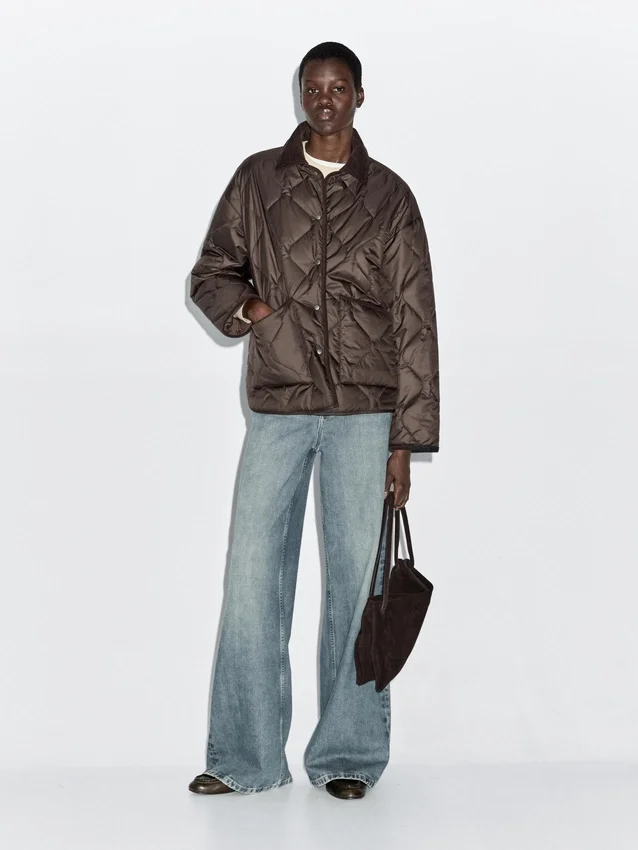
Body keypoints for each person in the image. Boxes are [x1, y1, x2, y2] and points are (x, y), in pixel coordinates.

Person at [187, 41, 439, 800]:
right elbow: (211, 273)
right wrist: (253, 311)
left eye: (338, 87)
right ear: (301, 95)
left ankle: (349, 755)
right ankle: (245, 759)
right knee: (251, 578)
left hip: (366, 412)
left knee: (357, 585)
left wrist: (406, 440)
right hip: (281, 405)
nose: (324, 99)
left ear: (359, 95)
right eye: (313, 87)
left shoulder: (389, 196)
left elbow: (415, 320)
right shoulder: (259, 179)